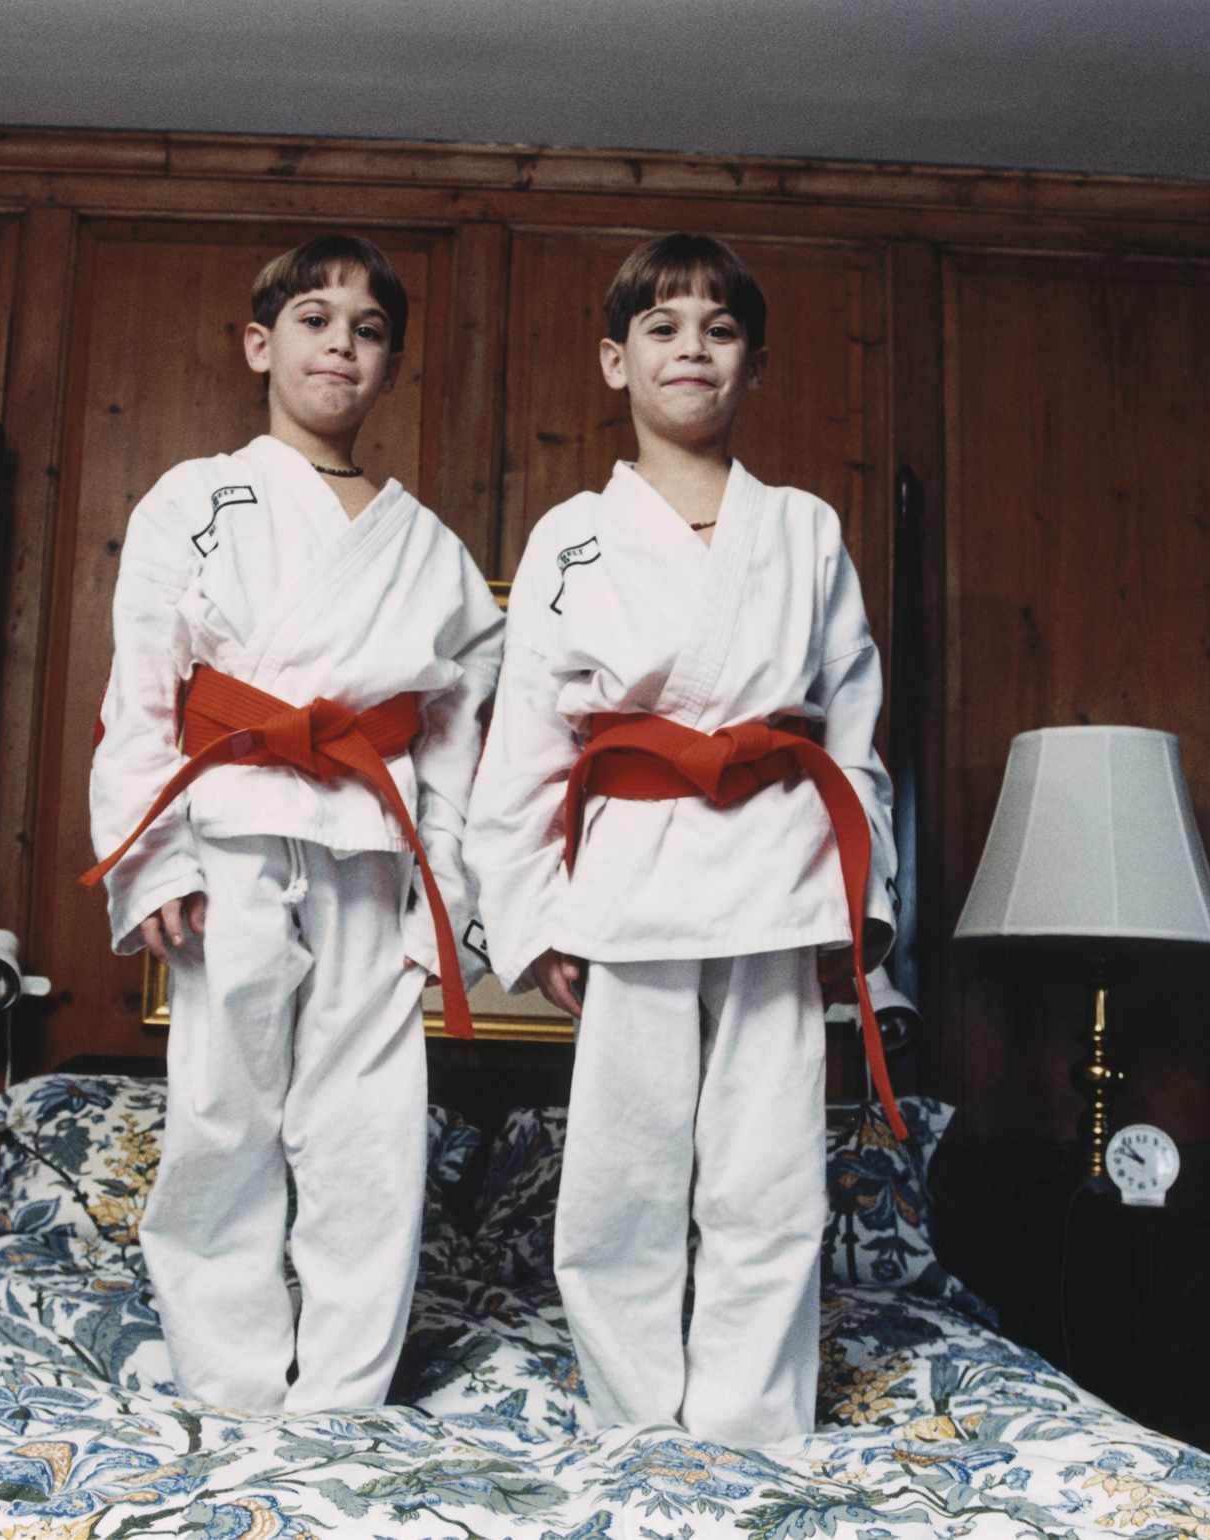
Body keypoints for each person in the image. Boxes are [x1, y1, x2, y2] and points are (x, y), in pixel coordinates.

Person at [464, 233, 899, 1448]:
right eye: (661, 328)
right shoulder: (569, 537)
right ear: (615, 361)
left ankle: (751, 1422)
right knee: (621, 1175)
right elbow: (526, 749)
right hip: (631, 876)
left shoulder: (803, 527)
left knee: (766, 1171)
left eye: (717, 329)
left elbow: (854, 719)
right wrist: (532, 913)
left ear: (752, 366)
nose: (690, 348)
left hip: (774, 869)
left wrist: (860, 901)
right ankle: (630, 1415)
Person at [84, 233, 503, 1414]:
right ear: (261, 344)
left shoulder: (432, 549)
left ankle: (343, 1396)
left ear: (391, 366)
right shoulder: (194, 496)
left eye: (368, 331)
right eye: (315, 320)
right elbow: (142, 686)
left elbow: (460, 737)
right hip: (226, 824)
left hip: (371, 842)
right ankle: (227, 1383)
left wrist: (447, 899)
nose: (342, 345)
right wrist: (147, 850)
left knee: (367, 1127)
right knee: (224, 1108)